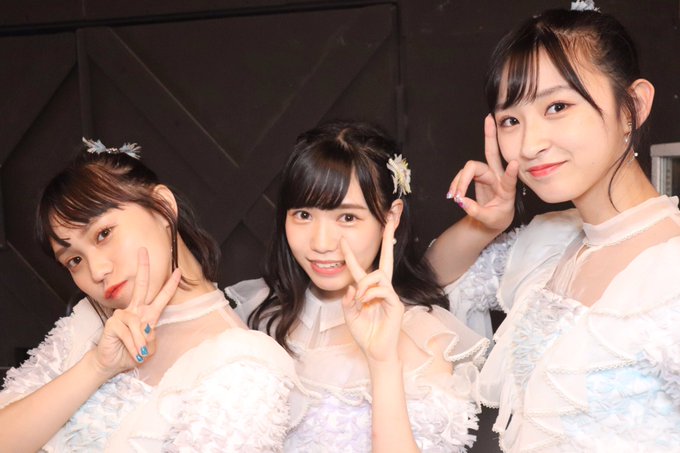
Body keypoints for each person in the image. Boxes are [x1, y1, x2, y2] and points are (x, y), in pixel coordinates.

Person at [426, 5, 680, 452]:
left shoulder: (670, 270)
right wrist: (486, 224)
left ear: (633, 107)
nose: (529, 144)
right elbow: (432, 279)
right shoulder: (550, 242)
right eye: (511, 120)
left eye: (557, 107)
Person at [0, 140, 304, 452]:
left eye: (103, 234)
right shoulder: (90, 322)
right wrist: (97, 367)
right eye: (74, 260)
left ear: (162, 207)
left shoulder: (243, 366)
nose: (98, 270)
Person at [226, 121, 488, 452]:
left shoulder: (421, 337)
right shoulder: (258, 314)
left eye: (347, 218)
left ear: (391, 217)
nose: (321, 243)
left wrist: (383, 362)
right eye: (303, 215)